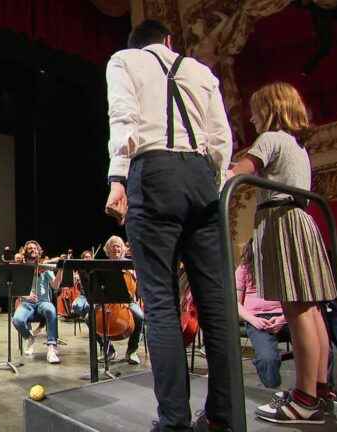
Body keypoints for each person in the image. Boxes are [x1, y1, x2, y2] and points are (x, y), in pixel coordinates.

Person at [104, 20, 234, 431]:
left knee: (160, 304)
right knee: (217, 306)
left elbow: (122, 119)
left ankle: (174, 421)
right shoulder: (201, 71)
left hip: (153, 172)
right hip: (200, 178)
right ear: (169, 41)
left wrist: (117, 179)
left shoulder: (124, 61)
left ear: (136, 44)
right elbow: (221, 139)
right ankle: (222, 416)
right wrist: (209, 183)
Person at [228, 82, 337, 424]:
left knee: (297, 308)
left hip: (281, 222)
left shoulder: (270, 139)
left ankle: (303, 398)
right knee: (312, 308)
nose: (251, 116)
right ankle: (319, 392)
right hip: (302, 221)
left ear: (269, 109)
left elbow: (234, 174)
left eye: (255, 109)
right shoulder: (297, 147)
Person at [72, 236, 144, 365]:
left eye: (118, 246)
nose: (116, 248)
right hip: (106, 302)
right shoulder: (103, 266)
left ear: (122, 249)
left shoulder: (130, 264)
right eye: (113, 246)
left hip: (127, 303)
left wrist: (133, 275)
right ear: (108, 250)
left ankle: (132, 351)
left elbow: (137, 286)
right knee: (89, 318)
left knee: (139, 317)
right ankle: (109, 350)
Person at [236, 239, 289, 389]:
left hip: (285, 317)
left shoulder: (283, 267)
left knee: (321, 350)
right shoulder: (244, 269)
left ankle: (319, 393)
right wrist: (253, 320)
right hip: (257, 320)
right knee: (267, 359)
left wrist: (283, 319)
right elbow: (236, 303)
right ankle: (273, 392)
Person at [11, 240, 63, 364]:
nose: (33, 250)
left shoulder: (44, 268)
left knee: (50, 309)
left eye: (35, 248)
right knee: (16, 320)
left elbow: (55, 286)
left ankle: (51, 347)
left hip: (43, 302)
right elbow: (13, 288)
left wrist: (60, 270)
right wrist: (25, 295)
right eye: (30, 248)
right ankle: (29, 337)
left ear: (38, 251)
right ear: (25, 252)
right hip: (26, 303)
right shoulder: (21, 268)